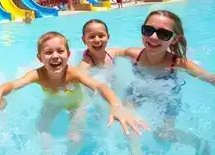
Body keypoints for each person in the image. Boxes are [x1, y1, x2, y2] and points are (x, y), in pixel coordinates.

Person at [0, 32, 148, 154]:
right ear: (40, 58)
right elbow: (13, 85)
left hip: (76, 104)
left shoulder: (73, 73)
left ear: (68, 54)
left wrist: (115, 104)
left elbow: (99, 86)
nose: (55, 56)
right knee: (41, 132)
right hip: (51, 104)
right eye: (48, 52)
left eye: (60, 51)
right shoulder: (37, 75)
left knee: (75, 138)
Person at [78, 11, 213, 154]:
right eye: (148, 30)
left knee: (164, 134)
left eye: (163, 34)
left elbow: (208, 77)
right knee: (128, 121)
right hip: (138, 92)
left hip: (167, 97)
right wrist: (88, 57)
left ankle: (199, 142)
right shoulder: (134, 54)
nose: (153, 37)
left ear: (174, 39)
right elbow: (111, 52)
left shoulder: (178, 62)